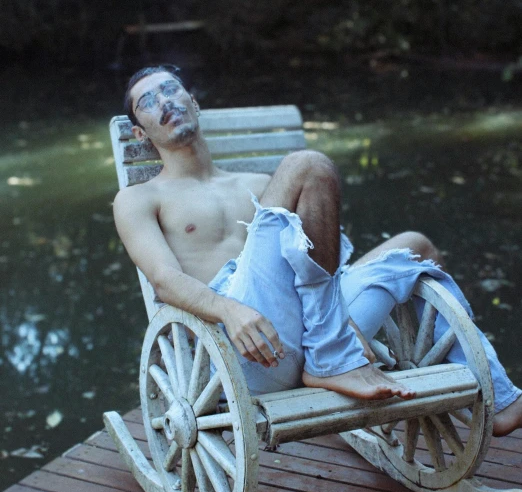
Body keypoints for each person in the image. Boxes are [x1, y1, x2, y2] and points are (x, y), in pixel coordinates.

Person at [113, 64, 522, 436]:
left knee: (416, 247)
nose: (164, 101)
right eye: (148, 102)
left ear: (193, 103)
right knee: (307, 165)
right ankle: (334, 355)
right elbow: (165, 283)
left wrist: (350, 317)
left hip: (308, 327)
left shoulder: (258, 184)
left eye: (170, 90)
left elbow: (322, 265)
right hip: (246, 345)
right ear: (141, 133)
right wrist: (229, 310)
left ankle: (499, 400)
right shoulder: (140, 199)